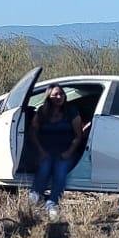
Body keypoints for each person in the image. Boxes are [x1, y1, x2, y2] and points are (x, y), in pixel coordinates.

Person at [28, 84, 83, 220]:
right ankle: (33, 201)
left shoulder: (72, 111)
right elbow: (33, 133)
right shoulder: (41, 112)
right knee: (44, 168)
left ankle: (52, 204)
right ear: (48, 97)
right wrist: (40, 151)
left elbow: (79, 135)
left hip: (65, 151)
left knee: (60, 170)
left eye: (61, 94)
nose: (59, 97)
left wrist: (69, 152)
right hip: (45, 150)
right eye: (55, 95)